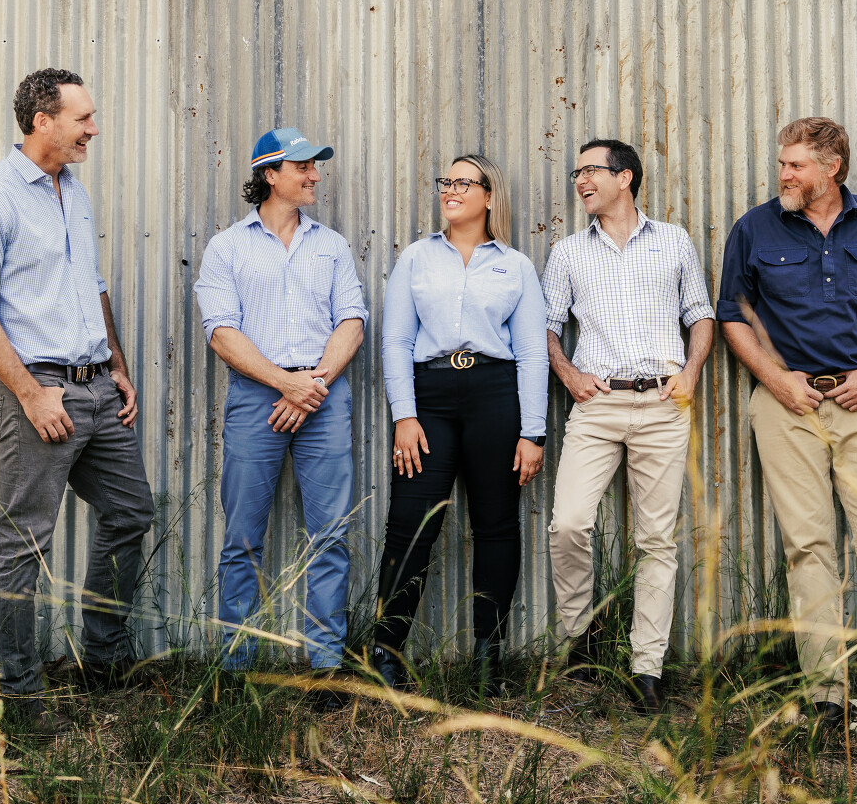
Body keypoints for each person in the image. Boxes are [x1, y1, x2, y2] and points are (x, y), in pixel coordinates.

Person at [0, 68, 155, 737]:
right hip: (41, 390)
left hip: (96, 385)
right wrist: (30, 394)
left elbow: (92, 283)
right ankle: (23, 699)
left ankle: (102, 660)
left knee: (130, 511)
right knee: (23, 542)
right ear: (43, 121)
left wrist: (116, 363)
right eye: (82, 118)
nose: (94, 129)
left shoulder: (73, 190)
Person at [717, 117, 857, 731]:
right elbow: (732, 315)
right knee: (808, 549)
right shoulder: (754, 228)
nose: (783, 174)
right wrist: (777, 381)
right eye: (782, 163)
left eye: (795, 165)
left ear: (831, 168)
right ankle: (827, 696)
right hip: (786, 406)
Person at [193, 127, 367, 706]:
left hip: (323, 397)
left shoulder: (331, 246)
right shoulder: (227, 248)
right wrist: (283, 383)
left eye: (316, 165)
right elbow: (221, 331)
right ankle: (237, 670)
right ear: (270, 174)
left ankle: (326, 667)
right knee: (243, 538)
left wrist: (310, 384)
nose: (314, 174)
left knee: (330, 537)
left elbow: (352, 321)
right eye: (303, 166)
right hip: (256, 400)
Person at [543, 138, 715, 714]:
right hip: (597, 406)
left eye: (591, 170)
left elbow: (701, 315)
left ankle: (647, 669)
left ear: (626, 178)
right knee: (568, 524)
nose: (580, 180)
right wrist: (568, 374)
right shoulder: (568, 252)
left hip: (664, 404)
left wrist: (690, 373)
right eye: (577, 172)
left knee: (656, 541)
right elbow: (546, 326)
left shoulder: (674, 241)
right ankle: (581, 635)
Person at [372, 154, 549, 698]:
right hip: (429, 398)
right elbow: (396, 341)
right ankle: (384, 655)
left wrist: (533, 432)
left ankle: (487, 660)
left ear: (489, 196)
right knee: (410, 524)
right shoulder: (416, 258)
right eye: (446, 181)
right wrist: (405, 415)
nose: (450, 190)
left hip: (495, 395)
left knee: (496, 525)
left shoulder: (515, 265)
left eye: (463, 182)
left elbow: (532, 353)